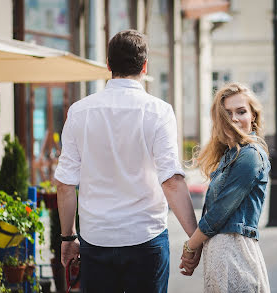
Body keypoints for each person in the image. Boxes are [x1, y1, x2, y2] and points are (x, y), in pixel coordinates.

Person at [54, 30, 200, 293]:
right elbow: (172, 181)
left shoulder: (79, 112)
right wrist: (195, 238)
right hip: (146, 238)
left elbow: (65, 184)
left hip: (96, 239)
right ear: (144, 66)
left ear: (108, 65)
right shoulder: (159, 111)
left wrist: (68, 237)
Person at [180, 82, 272, 292]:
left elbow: (219, 213)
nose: (234, 119)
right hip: (221, 257)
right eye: (227, 113)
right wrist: (199, 248)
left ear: (253, 116)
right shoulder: (231, 155)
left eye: (241, 111)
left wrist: (190, 247)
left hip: (236, 256)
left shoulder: (250, 155)